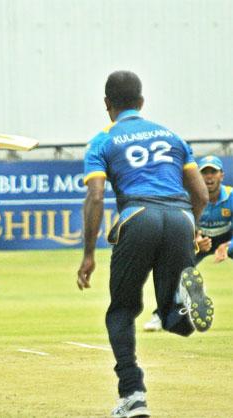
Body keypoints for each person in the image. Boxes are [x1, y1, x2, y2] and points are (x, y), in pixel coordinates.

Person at [77, 71, 213, 418]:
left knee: (121, 310)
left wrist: (89, 254)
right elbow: (199, 192)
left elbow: (94, 198)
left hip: (138, 215)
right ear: (141, 102)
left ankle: (133, 394)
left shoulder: (102, 141)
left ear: (107, 104)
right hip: (180, 217)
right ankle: (182, 305)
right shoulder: (172, 137)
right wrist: (194, 228)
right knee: (171, 317)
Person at [143, 154, 232, 331]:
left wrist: (228, 245)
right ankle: (162, 314)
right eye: (204, 173)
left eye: (213, 172)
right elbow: (177, 228)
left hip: (227, 239)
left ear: (221, 175)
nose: (209, 177)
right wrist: (194, 241)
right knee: (171, 265)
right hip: (199, 239)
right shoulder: (188, 197)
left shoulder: (231, 196)